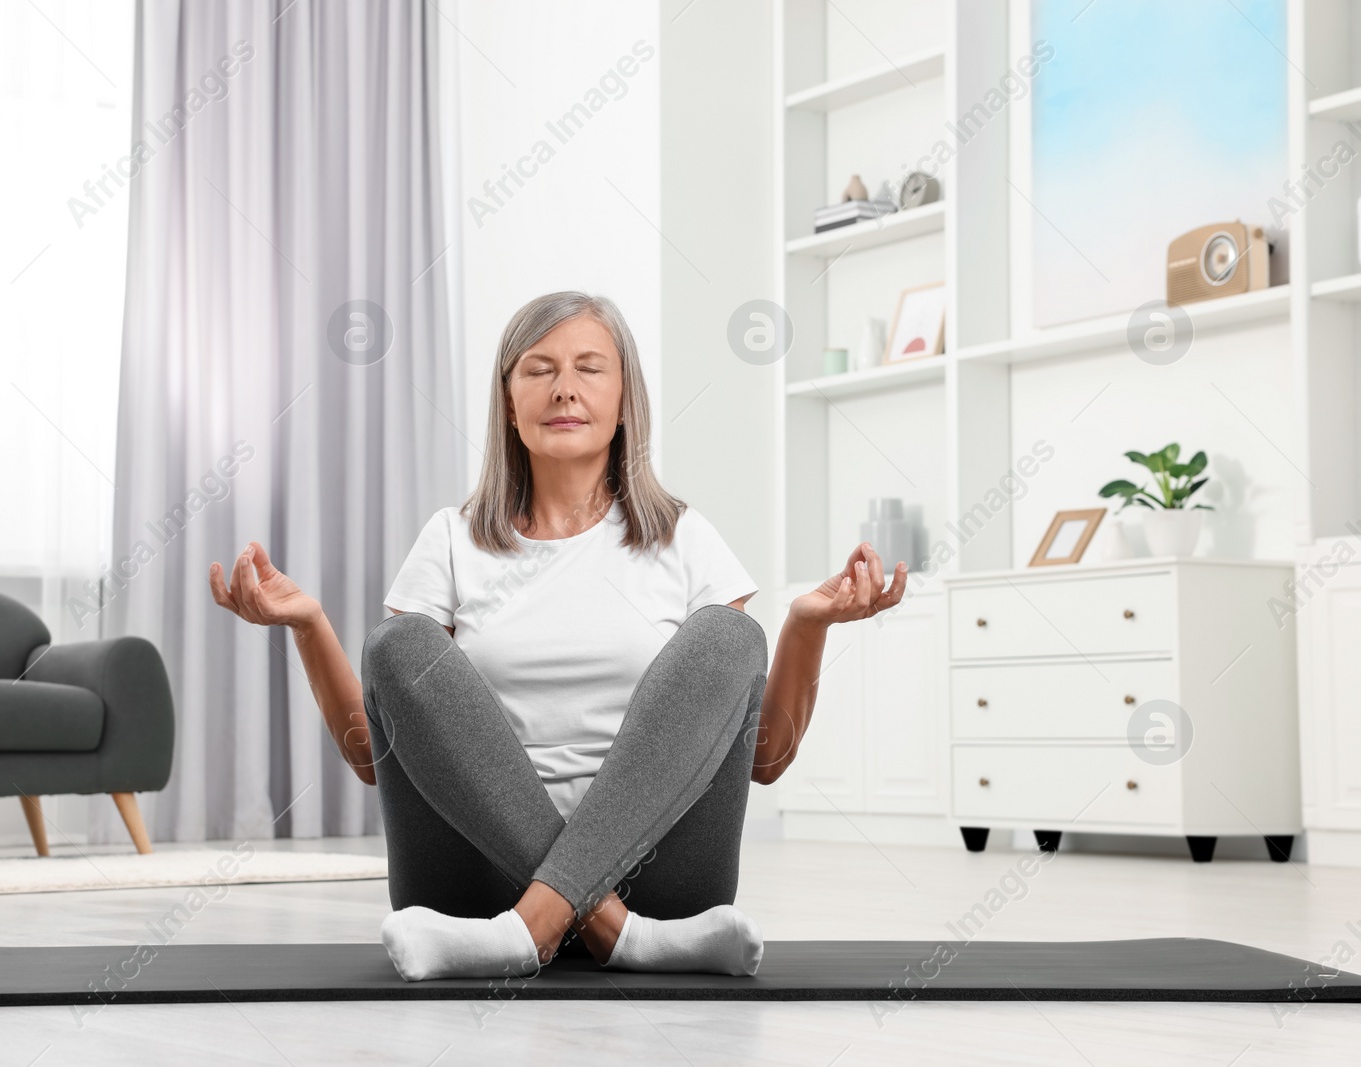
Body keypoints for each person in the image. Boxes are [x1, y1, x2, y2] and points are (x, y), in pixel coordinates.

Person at [209, 291, 906, 982]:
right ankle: (612, 934)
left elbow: (763, 759)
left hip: (660, 882)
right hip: (476, 885)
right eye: (539, 369)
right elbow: (377, 758)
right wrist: (310, 626)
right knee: (398, 646)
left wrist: (806, 626)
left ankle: (529, 931)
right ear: (508, 403)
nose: (564, 388)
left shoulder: (687, 540)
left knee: (730, 634)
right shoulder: (450, 539)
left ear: (625, 397)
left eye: (589, 367)